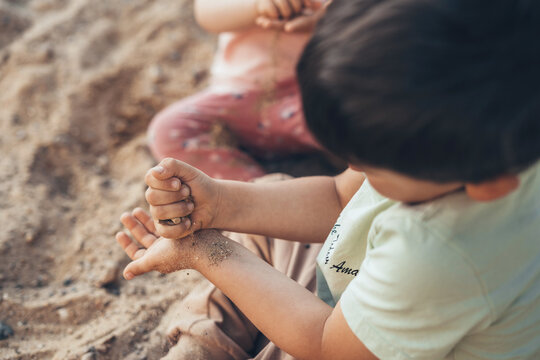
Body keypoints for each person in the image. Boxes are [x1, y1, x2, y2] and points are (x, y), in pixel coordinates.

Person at [116, 0, 540, 358]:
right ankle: (203, 342)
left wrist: (207, 252)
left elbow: (325, 345)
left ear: (488, 183)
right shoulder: (472, 143)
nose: (356, 170)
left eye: (371, 166)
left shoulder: (443, 253)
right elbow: (340, 198)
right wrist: (222, 204)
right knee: (263, 209)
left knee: (237, 264)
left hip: (344, 341)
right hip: (353, 292)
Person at [147, 0, 330, 181]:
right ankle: (256, 189)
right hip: (237, 100)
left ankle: (346, 176)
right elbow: (207, 13)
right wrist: (254, 6)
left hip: (311, 96)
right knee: (166, 131)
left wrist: (323, 20)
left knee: (348, 110)